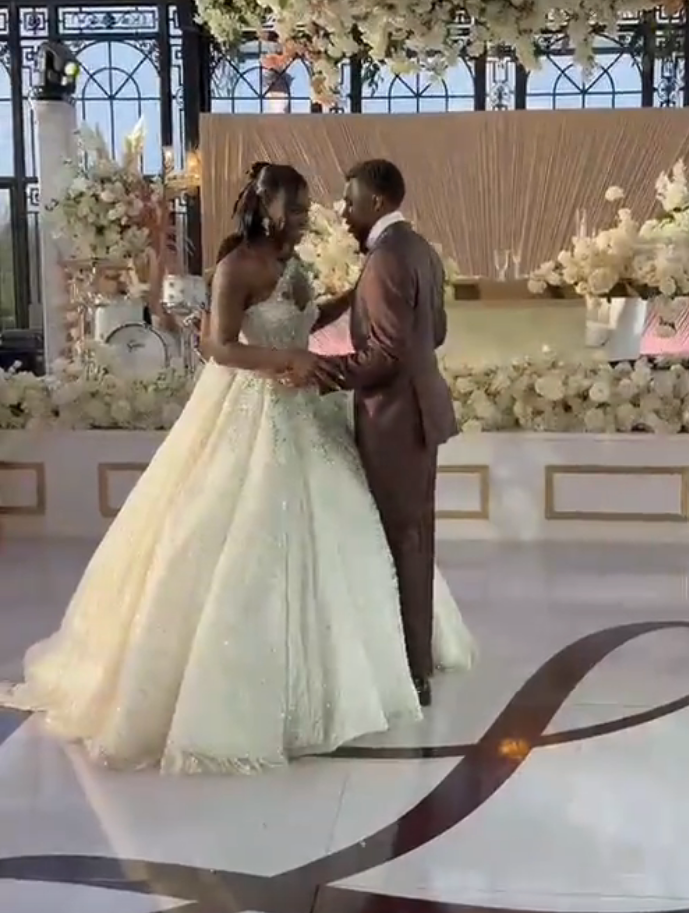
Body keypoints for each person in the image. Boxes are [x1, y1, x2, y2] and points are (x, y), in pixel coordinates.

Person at [0, 162, 473, 774]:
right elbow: (216, 345)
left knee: (355, 532)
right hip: (253, 405)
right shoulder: (237, 266)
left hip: (306, 410)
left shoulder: (291, 261)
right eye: (297, 212)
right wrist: (289, 359)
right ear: (267, 209)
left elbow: (308, 317)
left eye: (309, 212)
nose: (307, 222)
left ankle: (388, 663)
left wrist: (345, 304)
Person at [303, 160, 456, 709]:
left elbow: (387, 352)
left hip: (395, 417)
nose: (342, 212)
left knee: (402, 544)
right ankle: (417, 662)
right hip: (417, 410)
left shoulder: (388, 258)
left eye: (348, 201)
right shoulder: (419, 249)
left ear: (375, 201)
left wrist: (321, 372)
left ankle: (412, 675)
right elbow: (433, 331)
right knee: (413, 541)